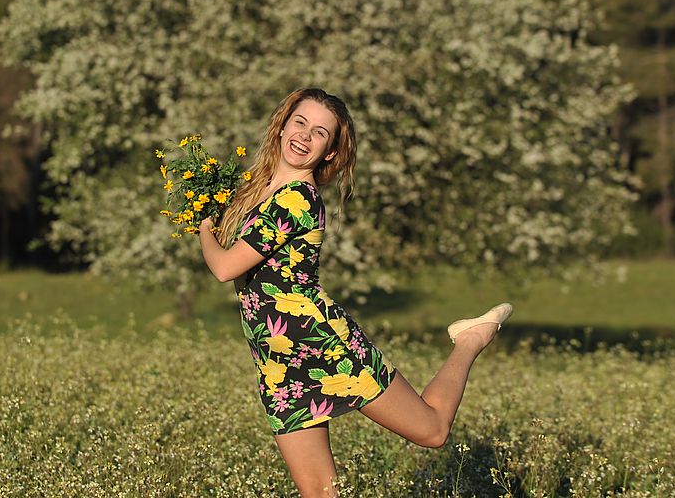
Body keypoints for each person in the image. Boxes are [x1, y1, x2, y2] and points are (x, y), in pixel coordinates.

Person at [198, 87, 513, 497]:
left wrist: (203, 225)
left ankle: (469, 340)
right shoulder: (254, 191)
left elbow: (224, 267)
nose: (305, 136)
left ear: (329, 152)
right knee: (320, 493)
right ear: (281, 126)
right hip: (275, 359)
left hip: (322, 343)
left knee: (432, 430)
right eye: (300, 123)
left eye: (320, 133)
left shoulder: (297, 199)